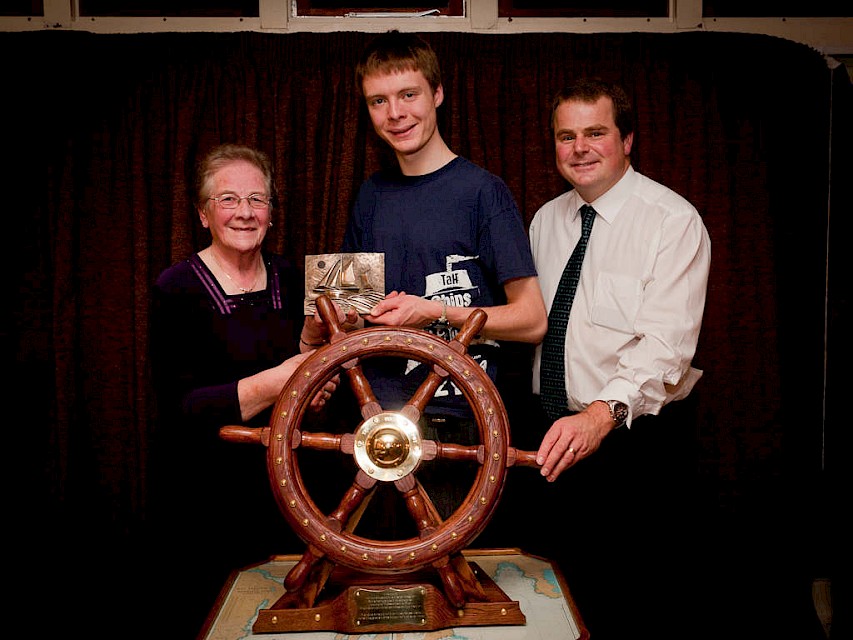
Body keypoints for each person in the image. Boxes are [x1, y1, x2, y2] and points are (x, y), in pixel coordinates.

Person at [525, 79, 711, 639]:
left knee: (631, 601)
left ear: (627, 139)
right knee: (551, 592)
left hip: (633, 445)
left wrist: (599, 417)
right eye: (566, 136)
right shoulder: (542, 222)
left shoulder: (671, 221)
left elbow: (666, 348)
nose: (579, 148)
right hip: (549, 439)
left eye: (595, 133)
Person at [340, 31, 547, 532]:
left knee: (451, 584)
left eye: (408, 95)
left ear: (437, 94)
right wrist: (342, 316)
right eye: (379, 101)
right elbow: (351, 310)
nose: (395, 113)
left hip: (458, 419)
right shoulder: (371, 194)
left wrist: (432, 311)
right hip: (376, 418)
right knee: (382, 575)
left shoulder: (484, 192)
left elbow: (531, 318)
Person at [148, 143, 348, 637]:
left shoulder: (296, 277)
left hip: (293, 498)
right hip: (208, 503)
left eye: (257, 200)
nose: (244, 212)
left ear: (272, 215)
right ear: (202, 213)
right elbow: (183, 407)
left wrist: (316, 390)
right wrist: (281, 381)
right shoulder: (175, 289)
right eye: (228, 199)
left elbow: (317, 390)